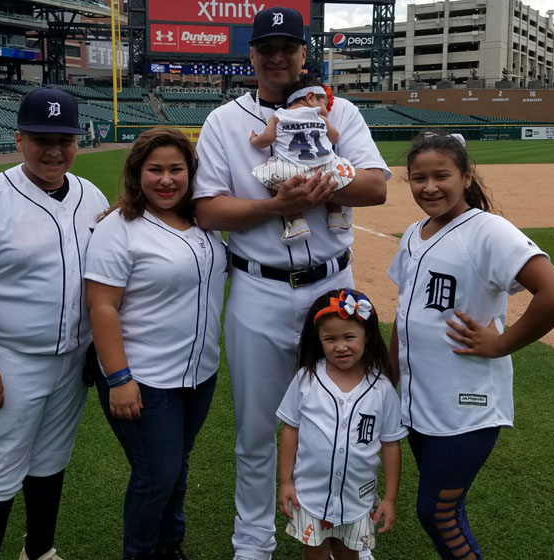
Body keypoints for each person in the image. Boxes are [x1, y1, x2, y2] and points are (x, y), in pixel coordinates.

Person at [193, 7, 390, 560]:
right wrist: (277, 204)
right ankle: (252, 543)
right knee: (258, 428)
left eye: (288, 47)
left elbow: (375, 186)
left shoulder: (341, 112)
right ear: (251, 56)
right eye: (267, 48)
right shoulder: (224, 123)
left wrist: (324, 190)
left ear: (305, 54)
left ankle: (351, 531)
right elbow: (208, 210)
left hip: (334, 286)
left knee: (347, 415)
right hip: (258, 289)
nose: (278, 57)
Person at [0, 87, 108, 560]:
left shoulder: (90, 194)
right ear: (19, 139)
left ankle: (40, 551)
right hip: (6, 360)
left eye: (64, 139)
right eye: (40, 138)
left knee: (50, 463)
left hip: (72, 360)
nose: (54, 150)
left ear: (78, 140)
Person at [388, 131, 554, 559]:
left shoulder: (488, 231)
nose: (429, 187)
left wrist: (501, 344)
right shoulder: (414, 233)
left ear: (466, 176)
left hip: (466, 405)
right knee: (448, 510)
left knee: (437, 514)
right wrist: (388, 377)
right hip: (421, 402)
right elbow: (404, 317)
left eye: (442, 175)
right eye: (418, 178)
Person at [84, 127, 227, 560]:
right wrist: (120, 377)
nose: (167, 180)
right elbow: (102, 307)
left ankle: (169, 544)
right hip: (142, 377)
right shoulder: (120, 227)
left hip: (199, 374)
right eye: (155, 170)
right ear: (136, 173)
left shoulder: (203, 224)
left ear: (191, 173)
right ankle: (141, 552)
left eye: (176, 169)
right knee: (156, 475)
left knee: (176, 469)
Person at [277, 289, 406, 560]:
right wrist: (285, 481)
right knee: (314, 554)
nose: (340, 346)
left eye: (349, 336)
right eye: (330, 338)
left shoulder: (382, 389)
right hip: (310, 496)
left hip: (356, 500)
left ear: (367, 336)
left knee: (349, 554)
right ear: (319, 340)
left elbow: (390, 445)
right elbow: (291, 430)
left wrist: (390, 498)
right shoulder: (306, 378)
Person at [250, 75, 354, 244]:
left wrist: (254, 140)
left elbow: (267, 139)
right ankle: (336, 216)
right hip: (324, 166)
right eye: (325, 103)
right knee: (334, 181)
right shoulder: (320, 117)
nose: (327, 109)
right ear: (311, 97)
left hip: (292, 170)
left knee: (271, 179)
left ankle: (297, 221)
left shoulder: (279, 115)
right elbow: (335, 138)